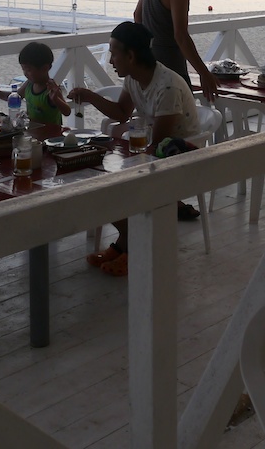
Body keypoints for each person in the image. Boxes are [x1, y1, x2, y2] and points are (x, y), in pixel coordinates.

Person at [68, 21, 201, 277]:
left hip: (178, 156)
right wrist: (90, 96)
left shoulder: (167, 86)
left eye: (113, 53)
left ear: (130, 55)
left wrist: (122, 136)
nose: (110, 60)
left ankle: (131, 248)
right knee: (95, 183)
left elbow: (157, 144)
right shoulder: (133, 78)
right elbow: (121, 113)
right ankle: (125, 245)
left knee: (110, 188)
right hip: (150, 149)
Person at [0, 41, 71, 127]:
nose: (25, 73)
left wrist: (56, 99)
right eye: (23, 69)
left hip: (50, 135)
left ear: (45, 68)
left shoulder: (51, 89)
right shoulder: (29, 84)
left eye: (29, 69)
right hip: (33, 131)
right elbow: (13, 98)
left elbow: (67, 111)